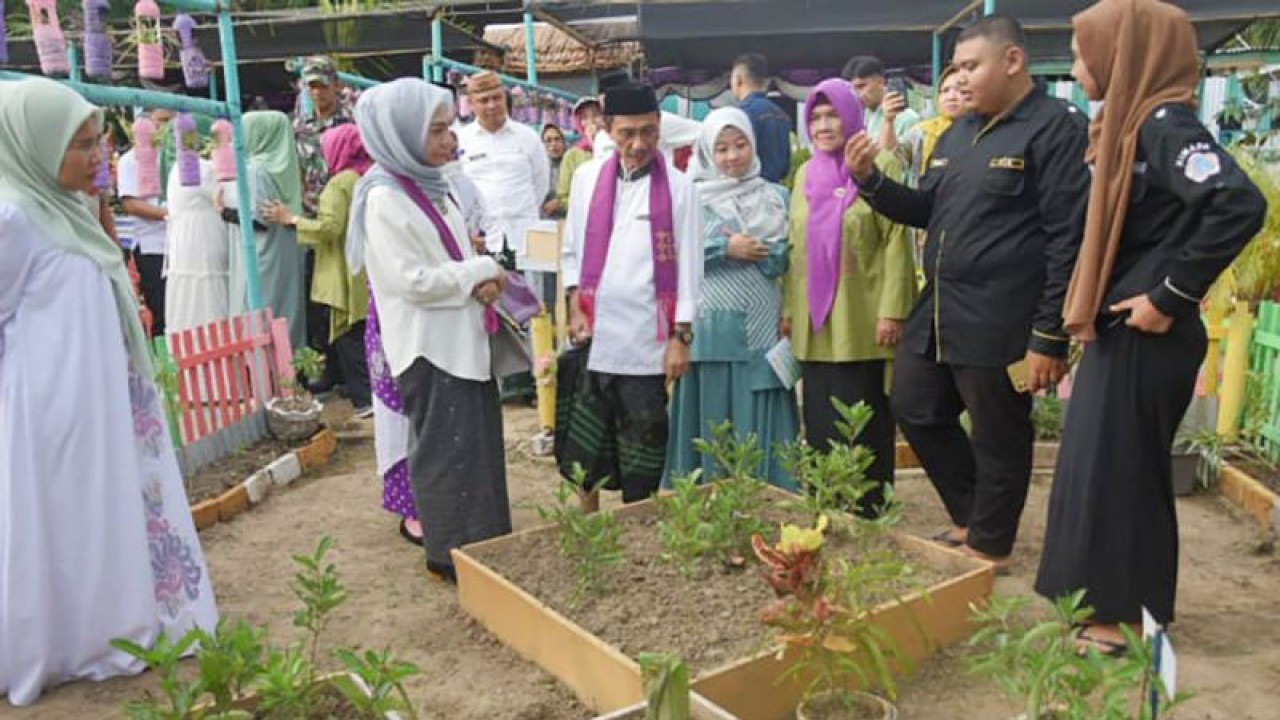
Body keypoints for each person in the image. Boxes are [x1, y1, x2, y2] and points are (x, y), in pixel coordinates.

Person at [1036, 0, 1267, 654]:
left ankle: (1125, 619)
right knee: (1097, 466)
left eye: (1085, 53)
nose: (1078, 66)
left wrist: (1169, 292)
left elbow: (1236, 201)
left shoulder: (1165, 125)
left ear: (1125, 54)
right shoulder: (1127, 126)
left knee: (1123, 474)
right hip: (1122, 331)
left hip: (1149, 332)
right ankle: (1099, 603)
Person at [0, 78, 218, 706]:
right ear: (35, 148)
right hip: (51, 405)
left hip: (101, 399)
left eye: (100, 142)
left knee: (103, 511)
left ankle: (112, 628)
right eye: (84, 146)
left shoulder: (65, 208)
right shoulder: (15, 217)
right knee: (64, 516)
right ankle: (68, 639)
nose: (100, 157)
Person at [845, 14, 1090, 570]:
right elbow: (926, 209)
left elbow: (1066, 237)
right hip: (940, 307)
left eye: (972, 66)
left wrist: (1048, 336)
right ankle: (972, 512)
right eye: (956, 68)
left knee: (999, 429)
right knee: (914, 405)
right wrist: (871, 182)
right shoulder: (957, 132)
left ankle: (991, 543)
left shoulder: (1055, 127)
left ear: (1012, 61)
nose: (961, 79)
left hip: (1004, 313)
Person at [349, 78, 512, 582]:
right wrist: (477, 272)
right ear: (400, 135)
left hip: (462, 342)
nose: (449, 140)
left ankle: (485, 553)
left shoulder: (430, 186)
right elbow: (412, 281)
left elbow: (451, 258)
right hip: (430, 349)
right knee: (446, 454)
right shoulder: (384, 199)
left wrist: (476, 272)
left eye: (447, 128)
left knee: (476, 451)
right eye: (437, 131)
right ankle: (450, 557)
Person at [559, 83, 704, 509]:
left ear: (660, 128)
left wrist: (681, 337)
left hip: (648, 341)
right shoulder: (586, 180)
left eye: (648, 132)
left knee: (642, 446)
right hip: (594, 332)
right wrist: (573, 304)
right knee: (585, 444)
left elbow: (691, 269)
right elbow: (571, 251)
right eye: (627, 134)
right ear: (607, 129)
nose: (638, 144)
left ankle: (638, 529)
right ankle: (588, 531)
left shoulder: (680, 189)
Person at [784, 79, 915, 514]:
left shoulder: (881, 165)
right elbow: (794, 247)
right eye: (815, 117)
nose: (823, 125)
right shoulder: (804, 173)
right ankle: (826, 505)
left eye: (832, 114)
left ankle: (869, 508)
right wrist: (789, 309)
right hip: (813, 321)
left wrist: (893, 310)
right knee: (820, 414)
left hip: (864, 317)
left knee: (863, 413)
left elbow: (897, 240)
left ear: (853, 116)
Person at [666, 107, 798, 488]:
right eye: (721, 149)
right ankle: (708, 497)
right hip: (711, 327)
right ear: (707, 153)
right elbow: (674, 253)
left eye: (740, 145)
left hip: (761, 324)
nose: (732, 156)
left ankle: (770, 492)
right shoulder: (690, 197)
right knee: (710, 413)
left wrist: (771, 253)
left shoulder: (776, 196)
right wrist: (724, 247)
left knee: (758, 405)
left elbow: (791, 255)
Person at [264, 124, 373, 416]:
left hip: (343, 267)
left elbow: (330, 227)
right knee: (364, 330)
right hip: (366, 264)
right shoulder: (368, 176)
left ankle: (365, 399)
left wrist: (291, 219)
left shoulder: (341, 183)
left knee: (348, 332)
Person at [293, 55, 355, 394]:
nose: (317, 92)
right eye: (311, 85)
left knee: (348, 293)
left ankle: (352, 371)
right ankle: (328, 366)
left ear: (336, 84)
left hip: (345, 220)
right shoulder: (300, 127)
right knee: (318, 298)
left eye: (322, 84)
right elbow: (297, 172)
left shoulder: (352, 123)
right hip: (313, 220)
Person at [225, 111, 307, 355]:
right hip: (286, 251)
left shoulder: (255, 170)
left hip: (262, 254)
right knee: (286, 310)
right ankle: (291, 368)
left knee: (260, 312)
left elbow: (257, 221)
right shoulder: (287, 168)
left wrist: (223, 211)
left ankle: (264, 372)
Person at [457, 70, 550, 260]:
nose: (492, 105)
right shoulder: (460, 140)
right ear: (471, 104)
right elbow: (458, 188)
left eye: (496, 98)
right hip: (481, 241)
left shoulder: (528, 137)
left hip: (525, 238)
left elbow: (541, 185)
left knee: (530, 289)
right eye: (484, 100)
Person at [117, 108, 172, 336]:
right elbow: (131, 204)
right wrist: (171, 214)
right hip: (153, 245)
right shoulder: (130, 160)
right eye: (160, 121)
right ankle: (165, 368)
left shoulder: (174, 156)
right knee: (162, 309)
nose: (164, 128)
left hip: (183, 242)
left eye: (170, 122)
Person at [164, 157, 229, 334]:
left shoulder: (177, 168)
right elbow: (223, 198)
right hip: (205, 235)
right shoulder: (204, 169)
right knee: (209, 291)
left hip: (182, 238)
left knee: (189, 293)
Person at [898, 65, 970, 185]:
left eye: (960, 91)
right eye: (945, 91)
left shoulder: (982, 132)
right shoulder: (922, 131)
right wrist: (888, 122)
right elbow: (898, 160)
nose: (951, 97)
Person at [730, 52, 792, 183]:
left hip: (749, 191)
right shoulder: (782, 114)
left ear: (738, 80)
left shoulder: (739, 115)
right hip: (775, 190)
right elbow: (786, 166)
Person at [842, 56, 920, 155]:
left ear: (881, 81)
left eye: (861, 86)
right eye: (852, 89)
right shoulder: (859, 117)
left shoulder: (908, 118)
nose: (857, 94)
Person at [557, 97, 603, 210]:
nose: (591, 121)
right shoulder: (572, 155)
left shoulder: (614, 149)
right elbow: (563, 197)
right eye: (584, 117)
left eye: (596, 115)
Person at [541, 123, 567, 218]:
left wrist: (559, 203)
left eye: (557, 139)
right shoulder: (540, 167)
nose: (553, 144)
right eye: (548, 141)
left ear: (563, 142)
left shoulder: (572, 164)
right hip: (544, 221)